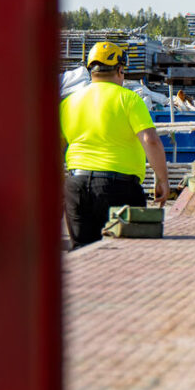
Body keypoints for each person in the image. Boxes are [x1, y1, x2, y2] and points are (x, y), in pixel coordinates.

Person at [60, 42, 170, 248]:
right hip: (120, 188)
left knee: (82, 254)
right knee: (127, 252)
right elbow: (150, 140)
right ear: (120, 70)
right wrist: (162, 180)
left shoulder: (69, 103)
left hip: (77, 186)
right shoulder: (129, 99)